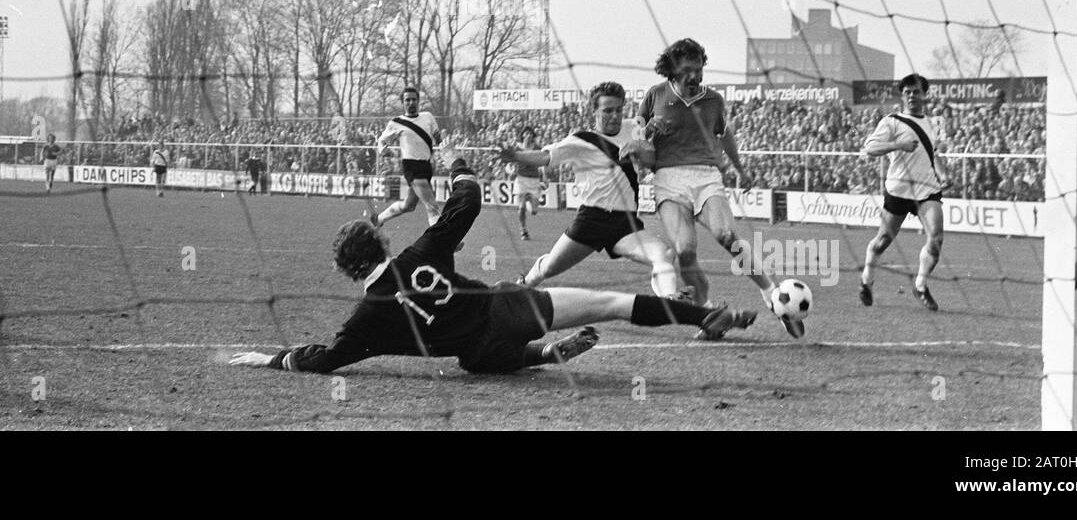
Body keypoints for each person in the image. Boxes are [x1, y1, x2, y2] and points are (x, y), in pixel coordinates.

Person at [228, 159, 746, 376]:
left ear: (347, 270)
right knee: (613, 304)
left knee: (477, 360)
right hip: (507, 308)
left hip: (479, 355)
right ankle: (702, 317)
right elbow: (469, 201)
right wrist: (457, 169)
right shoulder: (421, 253)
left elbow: (327, 359)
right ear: (382, 240)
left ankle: (542, 355)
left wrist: (270, 360)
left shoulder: (367, 318)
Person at [501, 81, 754, 334]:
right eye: (607, 110)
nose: (614, 116)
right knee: (549, 268)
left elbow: (654, 148)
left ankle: (671, 300)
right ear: (594, 112)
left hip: (625, 224)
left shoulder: (634, 128)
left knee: (664, 254)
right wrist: (517, 156)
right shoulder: (580, 140)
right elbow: (545, 157)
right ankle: (524, 285)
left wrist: (653, 132)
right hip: (591, 220)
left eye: (619, 110)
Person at [637, 38, 802, 338]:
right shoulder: (654, 96)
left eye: (698, 69)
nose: (693, 76)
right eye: (686, 69)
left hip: (706, 176)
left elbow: (725, 135)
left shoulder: (713, 101)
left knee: (727, 235)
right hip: (668, 180)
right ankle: (709, 315)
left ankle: (773, 297)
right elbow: (636, 138)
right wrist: (648, 131)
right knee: (685, 251)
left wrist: (740, 169)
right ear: (672, 70)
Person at [860, 73, 948, 311]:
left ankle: (920, 286)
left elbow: (934, 154)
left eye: (916, 92)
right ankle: (867, 280)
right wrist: (898, 145)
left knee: (937, 237)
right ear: (902, 95)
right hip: (899, 188)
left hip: (927, 189)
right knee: (883, 241)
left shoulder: (932, 123)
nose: (911, 96)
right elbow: (869, 148)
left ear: (924, 94)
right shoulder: (892, 121)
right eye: (907, 92)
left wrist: (942, 172)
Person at [368, 87, 443, 228]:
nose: (411, 102)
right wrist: (386, 152)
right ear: (403, 103)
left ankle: (378, 219)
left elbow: (438, 137)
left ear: (418, 101)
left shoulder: (428, 117)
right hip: (411, 167)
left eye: (414, 99)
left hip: (426, 166)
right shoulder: (397, 122)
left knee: (409, 205)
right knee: (432, 206)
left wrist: (445, 145)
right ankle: (447, 240)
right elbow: (381, 141)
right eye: (407, 100)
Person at [510, 127, 546, 240]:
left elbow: (543, 162)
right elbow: (509, 163)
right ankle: (523, 231)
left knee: (534, 211)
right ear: (523, 135)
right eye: (526, 133)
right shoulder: (517, 148)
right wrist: (511, 171)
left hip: (534, 180)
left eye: (531, 133)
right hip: (521, 179)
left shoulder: (537, 148)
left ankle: (529, 198)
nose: (529, 135)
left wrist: (544, 177)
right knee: (521, 208)